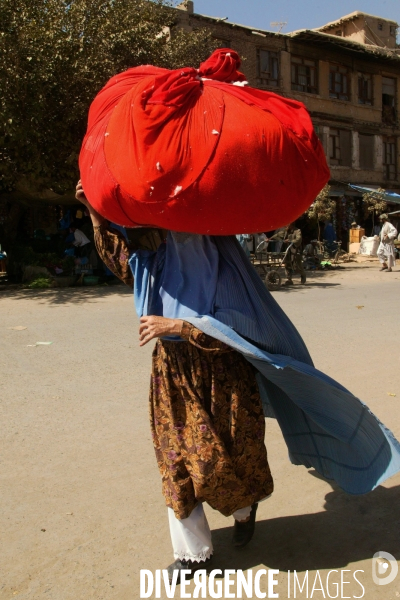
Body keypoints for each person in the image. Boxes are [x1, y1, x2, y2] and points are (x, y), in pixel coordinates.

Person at [75, 181, 400, 582]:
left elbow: (243, 331)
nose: (181, 239)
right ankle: (192, 553)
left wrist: (181, 324)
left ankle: (245, 510)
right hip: (173, 374)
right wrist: (93, 208)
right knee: (176, 461)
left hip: (226, 378)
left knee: (228, 460)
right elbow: (124, 263)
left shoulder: (227, 267)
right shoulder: (155, 255)